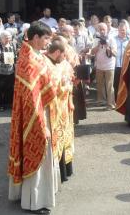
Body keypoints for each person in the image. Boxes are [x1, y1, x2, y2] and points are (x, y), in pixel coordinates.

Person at [8, 21, 58, 214]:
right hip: (34, 116)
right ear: (36, 38)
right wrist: (41, 124)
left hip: (41, 111)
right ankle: (35, 201)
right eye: (46, 38)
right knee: (37, 153)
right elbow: (31, 99)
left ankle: (32, 195)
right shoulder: (28, 60)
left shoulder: (34, 53)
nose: (48, 42)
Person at [45, 39, 75, 183]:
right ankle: (60, 173)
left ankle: (66, 169)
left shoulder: (63, 64)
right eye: (63, 55)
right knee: (57, 139)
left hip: (64, 108)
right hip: (54, 109)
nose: (65, 58)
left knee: (65, 137)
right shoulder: (49, 65)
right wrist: (67, 87)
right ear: (58, 52)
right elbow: (53, 89)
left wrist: (69, 94)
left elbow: (69, 80)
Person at [92, 22, 117, 110]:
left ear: (107, 30)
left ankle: (111, 104)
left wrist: (107, 46)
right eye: (100, 29)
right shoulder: (96, 39)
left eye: (104, 29)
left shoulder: (111, 39)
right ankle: (101, 101)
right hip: (99, 65)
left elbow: (115, 53)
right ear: (98, 30)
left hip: (109, 66)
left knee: (109, 86)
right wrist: (98, 45)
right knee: (99, 85)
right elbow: (92, 52)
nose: (102, 31)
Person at [0, 30, 17, 111]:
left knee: (9, 88)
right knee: (0, 89)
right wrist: (4, 51)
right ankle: (1, 105)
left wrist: (16, 70)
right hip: (0, 71)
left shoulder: (13, 44)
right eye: (6, 38)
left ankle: (8, 103)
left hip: (10, 70)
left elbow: (15, 58)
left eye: (9, 38)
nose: (8, 39)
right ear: (0, 38)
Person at [114, 22, 130, 101]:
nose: (122, 31)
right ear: (118, 30)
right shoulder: (113, 39)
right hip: (116, 65)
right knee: (116, 83)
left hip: (126, 65)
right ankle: (117, 99)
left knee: (126, 83)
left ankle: (126, 99)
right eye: (120, 30)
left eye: (123, 30)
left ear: (126, 30)